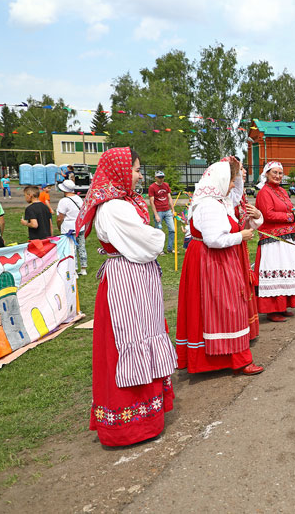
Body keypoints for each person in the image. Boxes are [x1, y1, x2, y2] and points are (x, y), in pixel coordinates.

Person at [75, 147, 177, 447]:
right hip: (126, 280)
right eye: (135, 170)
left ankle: (147, 416)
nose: (139, 175)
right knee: (129, 338)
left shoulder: (121, 202)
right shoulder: (114, 208)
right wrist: (159, 237)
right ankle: (129, 425)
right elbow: (149, 243)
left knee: (145, 332)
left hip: (136, 278)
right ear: (120, 171)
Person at [175, 161, 264, 376]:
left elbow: (232, 217)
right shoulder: (209, 205)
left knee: (221, 308)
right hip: (213, 260)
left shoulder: (218, 201)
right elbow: (213, 239)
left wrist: (251, 222)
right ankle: (237, 359)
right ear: (221, 180)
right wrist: (240, 236)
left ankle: (228, 358)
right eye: (231, 180)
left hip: (218, 258)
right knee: (228, 307)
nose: (233, 185)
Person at [254, 161, 295, 323]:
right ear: (267, 174)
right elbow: (268, 215)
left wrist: (293, 212)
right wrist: (290, 217)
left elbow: (287, 208)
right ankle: (271, 310)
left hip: (287, 238)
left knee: (286, 270)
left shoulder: (282, 191)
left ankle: (283, 306)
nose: (278, 176)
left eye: (280, 173)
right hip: (273, 241)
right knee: (276, 270)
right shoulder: (264, 192)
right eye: (274, 172)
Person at [223, 156, 262, 341]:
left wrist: (256, 215)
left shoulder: (240, 194)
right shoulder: (222, 197)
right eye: (240, 169)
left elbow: (245, 221)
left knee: (244, 285)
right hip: (229, 248)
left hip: (241, 246)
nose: (244, 172)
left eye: (243, 169)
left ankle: (247, 329)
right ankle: (236, 330)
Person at [56, 180, 88, 275]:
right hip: (79, 226)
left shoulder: (63, 201)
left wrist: (59, 226)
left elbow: (60, 217)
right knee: (81, 247)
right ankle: (83, 268)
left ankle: (74, 269)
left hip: (68, 228)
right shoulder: (78, 198)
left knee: (71, 249)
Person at [148, 171, 175, 254]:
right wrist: (156, 215)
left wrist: (173, 210)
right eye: (159, 177)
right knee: (159, 231)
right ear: (155, 177)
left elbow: (169, 197)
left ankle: (170, 249)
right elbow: (151, 202)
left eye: (162, 177)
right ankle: (159, 250)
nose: (161, 179)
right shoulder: (152, 187)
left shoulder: (166, 185)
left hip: (167, 210)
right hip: (159, 211)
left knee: (172, 230)